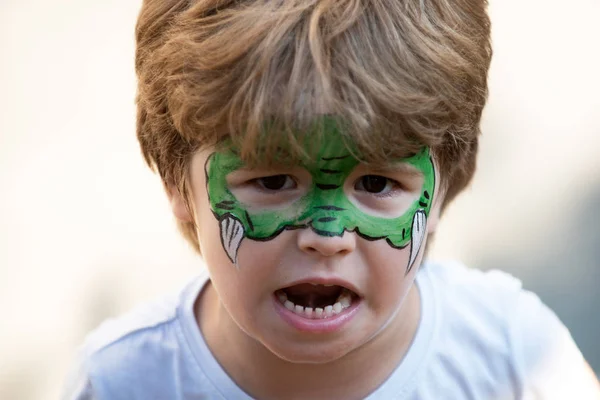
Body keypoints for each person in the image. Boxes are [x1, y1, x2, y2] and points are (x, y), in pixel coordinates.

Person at [63, 0, 600, 398]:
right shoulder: (121, 382)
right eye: (273, 182)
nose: (326, 237)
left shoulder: (517, 359)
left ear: (440, 193)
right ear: (179, 185)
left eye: (375, 184)